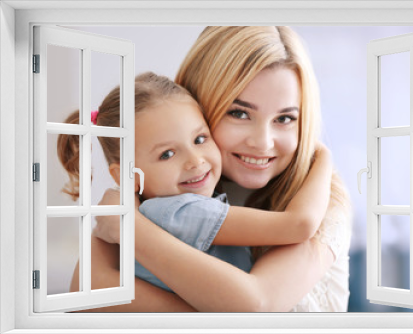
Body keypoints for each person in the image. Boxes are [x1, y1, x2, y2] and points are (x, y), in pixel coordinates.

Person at [90, 26, 351, 312]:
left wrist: (134, 231)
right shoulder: (163, 191)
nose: (263, 143)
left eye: (285, 118)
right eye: (239, 113)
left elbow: (258, 303)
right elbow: (88, 289)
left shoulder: (322, 199)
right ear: (200, 104)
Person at [59, 72, 333, 294]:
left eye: (200, 139)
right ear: (127, 176)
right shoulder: (179, 212)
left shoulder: (152, 211)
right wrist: (322, 156)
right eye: (167, 154)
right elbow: (298, 225)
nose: (195, 161)